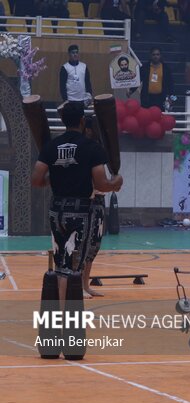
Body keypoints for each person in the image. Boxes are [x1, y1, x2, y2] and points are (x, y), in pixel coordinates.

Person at [31, 102, 123, 304]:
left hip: (57, 211)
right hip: (81, 211)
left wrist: (55, 177)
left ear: (63, 121)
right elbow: (101, 183)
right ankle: (69, 313)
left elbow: (36, 180)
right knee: (75, 266)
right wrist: (115, 183)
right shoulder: (92, 147)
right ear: (82, 121)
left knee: (61, 263)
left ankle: (59, 308)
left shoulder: (51, 146)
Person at [81, 116, 108, 298]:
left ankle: (85, 284)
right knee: (83, 243)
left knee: (94, 244)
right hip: (86, 201)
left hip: (99, 200)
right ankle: (78, 286)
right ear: (89, 130)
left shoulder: (99, 149)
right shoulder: (84, 149)